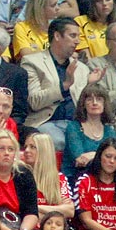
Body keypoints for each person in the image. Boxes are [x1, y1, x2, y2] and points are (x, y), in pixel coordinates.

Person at [22, 18, 92, 151]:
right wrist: (64, 86)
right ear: (57, 36)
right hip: (47, 122)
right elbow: (34, 101)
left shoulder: (82, 68)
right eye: (72, 36)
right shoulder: (32, 62)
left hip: (77, 124)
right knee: (60, 142)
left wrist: (91, 84)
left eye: (78, 36)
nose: (77, 41)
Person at [66, 85, 116, 172]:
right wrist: (104, 156)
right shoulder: (73, 127)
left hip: (103, 176)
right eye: (89, 99)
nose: (94, 103)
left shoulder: (109, 130)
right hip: (76, 176)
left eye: (99, 99)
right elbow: (80, 159)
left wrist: (93, 155)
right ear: (83, 104)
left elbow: (114, 157)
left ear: (104, 104)